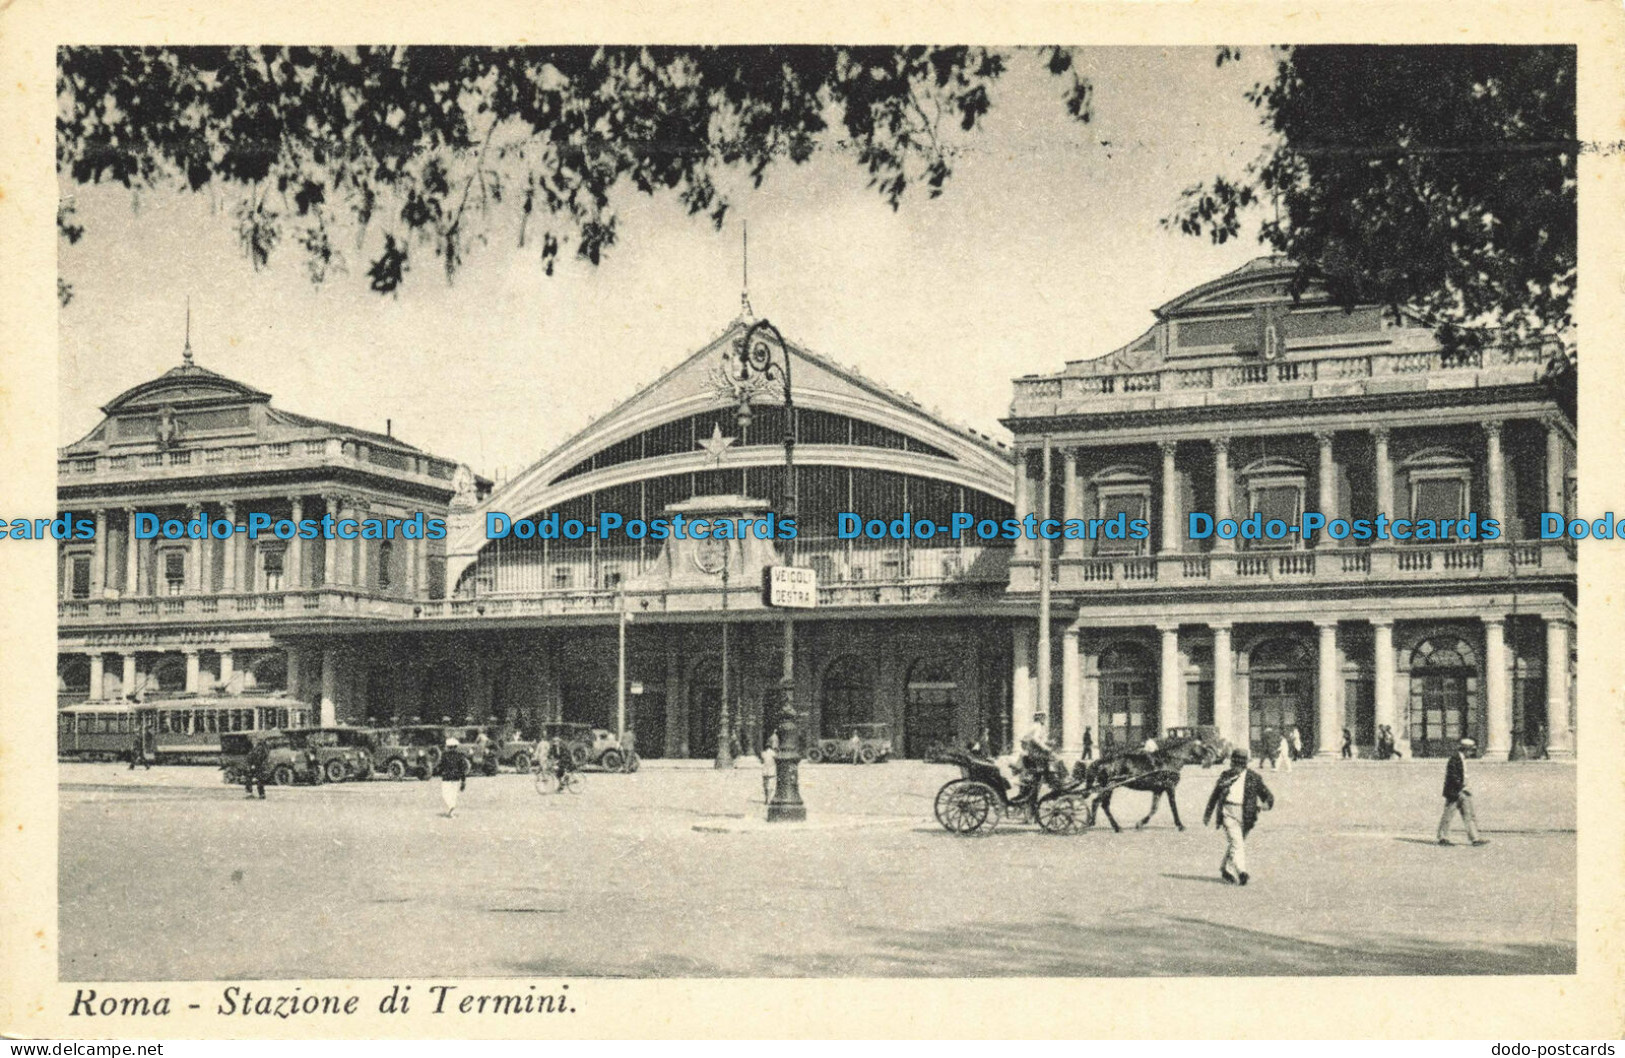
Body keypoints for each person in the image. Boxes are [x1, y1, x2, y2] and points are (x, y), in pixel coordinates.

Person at [1202, 748, 1275, 885]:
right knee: (1237, 843)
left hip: (1247, 814)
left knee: (1236, 843)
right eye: (1234, 764)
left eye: (1239, 764)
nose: (1236, 767)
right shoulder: (1225, 776)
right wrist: (1208, 814)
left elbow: (1268, 796)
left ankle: (1226, 869)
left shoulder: (1254, 778)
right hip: (1227, 812)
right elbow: (1215, 795)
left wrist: (1264, 806)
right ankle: (1242, 872)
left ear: (1244, 764)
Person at [1438, 737, 1489, 846]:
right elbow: (1453, 776)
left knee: (1469, 815)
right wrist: (1461, 787)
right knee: (1448, 815)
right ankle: (1443, 837)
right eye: (1471, 750)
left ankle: (1475, 839)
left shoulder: (1462, 759)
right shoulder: (1454, 759)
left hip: (1463, 791)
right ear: (1466, 749)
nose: (1472, 753)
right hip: (1455, 792)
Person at [437, 737, 471, 817]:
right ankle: (451, 808)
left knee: (445, 794)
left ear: (448, 747)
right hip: (456, 777)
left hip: (446, 777)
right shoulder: (460, 756)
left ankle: (451, 807)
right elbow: (462, 769)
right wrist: (463, 781)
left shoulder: (444, 755)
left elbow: (441, 766)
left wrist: (439, 771)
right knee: (453, 794)